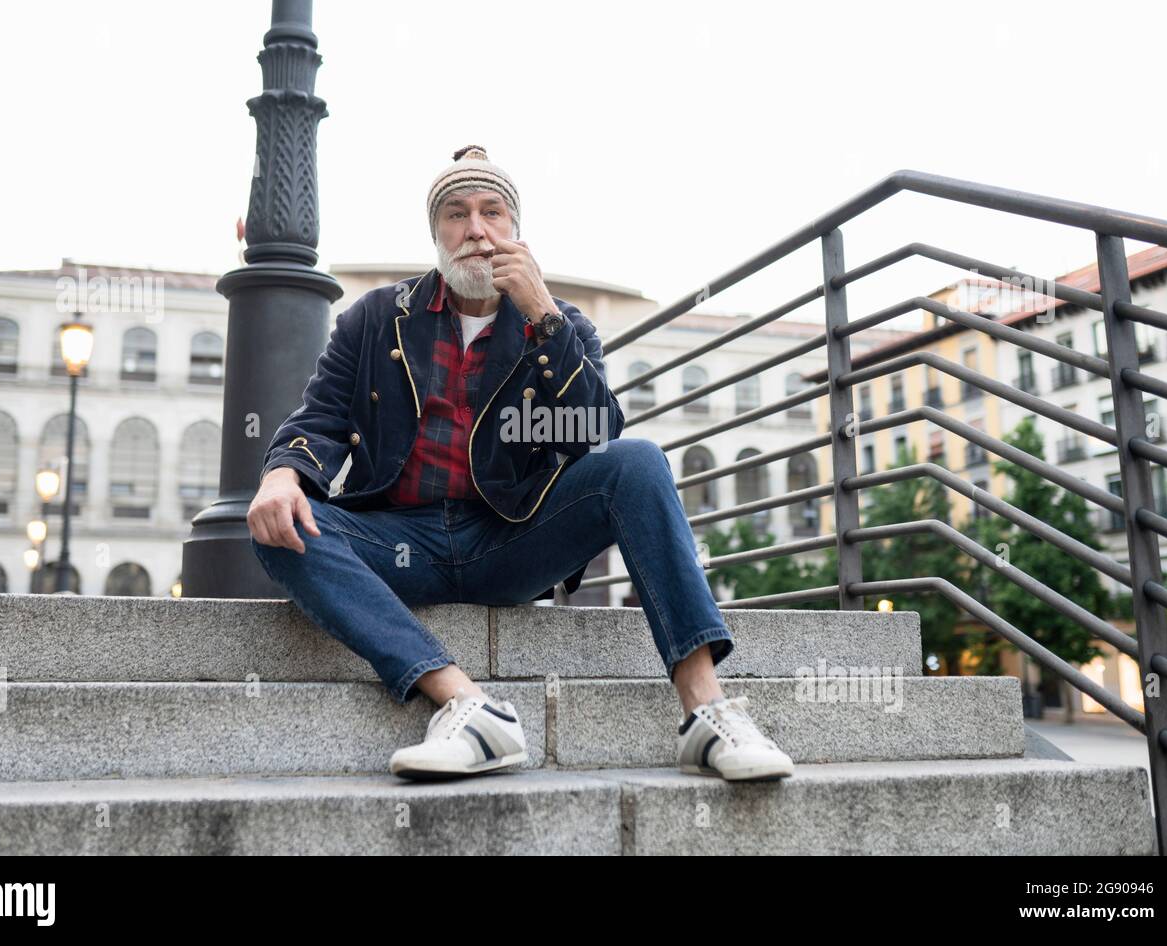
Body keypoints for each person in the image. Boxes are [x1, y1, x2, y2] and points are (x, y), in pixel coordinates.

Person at [248, 145, 794, 782]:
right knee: (278, 528)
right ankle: (468, 707)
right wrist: (282, 474)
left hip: (510, 536)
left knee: (638, 461)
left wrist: (545, 319)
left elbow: (595, 434)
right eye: (456, 215)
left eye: (491, 212)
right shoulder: (375, 319)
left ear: (515, 231)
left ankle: (708, 713)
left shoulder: (561, 325)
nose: (475, 229)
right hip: (401, 541)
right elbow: (319, 418)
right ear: (437, 236)